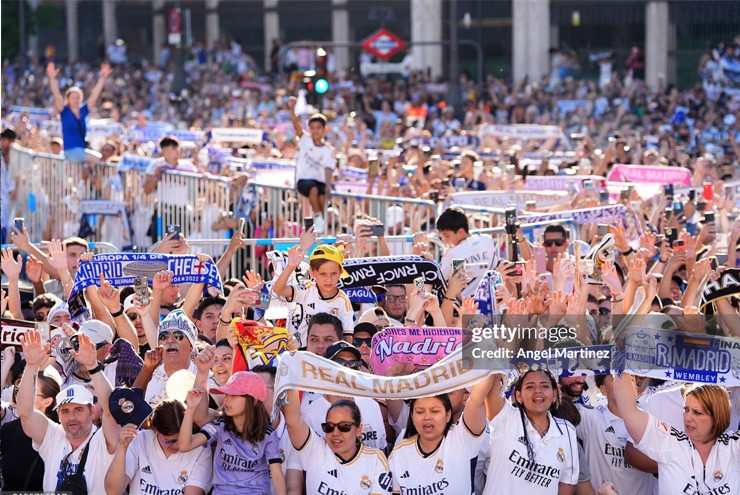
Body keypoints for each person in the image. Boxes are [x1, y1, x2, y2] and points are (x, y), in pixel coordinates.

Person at [17, 330, 119, 494]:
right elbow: (25, 413)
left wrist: (93, 367)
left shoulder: (103, 439)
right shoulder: (53, 436)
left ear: (92, 411)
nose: (71, 417)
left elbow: (111, 410)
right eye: (65, 411)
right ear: (57, 414)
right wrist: (31, 366)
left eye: (78, 410)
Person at [614, 373, 739, 494]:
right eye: (686, 409)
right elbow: (629, 412)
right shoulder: (670, 443)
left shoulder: (734, 447)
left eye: (697, 412)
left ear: (717, 417)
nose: (688, 417)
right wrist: (622, 360)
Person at [179, 371, 287, 495]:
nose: (227, 399)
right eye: (226, 394)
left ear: (254, 400)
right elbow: (185, 445)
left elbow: (277, 476)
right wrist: (190, 409)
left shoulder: (267, 434)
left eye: (234, 395)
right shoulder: (220, 426)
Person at [388, 375, 495, 493]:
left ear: (448, 415)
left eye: (435, 411)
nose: (427, 417)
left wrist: (488, 360)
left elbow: (477, 398)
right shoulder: (399, 453)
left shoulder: (462, 439)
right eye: (420, 412)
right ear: (412, 416)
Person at [483, 370, 579, 494]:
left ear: (554, 395)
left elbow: (567, 482)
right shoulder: (506, 418)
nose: (538, 391)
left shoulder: (567, 430)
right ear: (518, 396)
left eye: (545, 386)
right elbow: (490, 376)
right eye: (530, 386)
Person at [283, 387, 393, 494]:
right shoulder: (315, 451)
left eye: (344, 426)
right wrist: (291, 377)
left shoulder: (375, 459)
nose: (335, 433)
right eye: (329, 427)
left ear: (359, 430)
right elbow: (292, 421)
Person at [104, 399, 213, 495]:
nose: (178, 445)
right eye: (170, 440)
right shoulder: (140, 440)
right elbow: (113, 491)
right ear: (155, 429)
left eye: (183, 438)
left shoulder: (200, 448)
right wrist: (122, 448)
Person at [272, 244, 354, 348]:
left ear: (340, 272)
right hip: (304, 350)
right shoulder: (307, 288)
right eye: (323, 274)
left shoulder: (343, 300)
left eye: (333, 274)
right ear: (312, 273)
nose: (328, 280)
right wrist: (290, 267)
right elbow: (279, 290)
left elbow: (347, 336)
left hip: (331, 354)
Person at [0, 369, 60, 490]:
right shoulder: (7, 430)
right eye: (20, 389)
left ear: (47, 402)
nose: (22, 395)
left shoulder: (59, 435)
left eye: (31, 392)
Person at [46, 62, 111, 163]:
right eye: (73, 97)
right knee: (99, 159)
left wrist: (102, 79)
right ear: (68, 99)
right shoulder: (64, 111)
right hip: (71, 151)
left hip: (82, 149)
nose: (75, 100)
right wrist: (52, 79)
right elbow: (56, 95)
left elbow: (94, 96)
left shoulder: (83, 110)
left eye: (78, 97)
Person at [288, 96, 334, 234]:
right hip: (303, 180)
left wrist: (327, 185)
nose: (315, 131)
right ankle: (319, 218)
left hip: (318, 181)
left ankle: (320, 226)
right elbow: (296, 124)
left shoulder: (328, 149)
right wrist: (291, 108)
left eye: (318, 128)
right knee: (313, 189)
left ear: (324, 129)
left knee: (321, 197)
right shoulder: (305, 140)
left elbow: (328, 168)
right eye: (312, 128)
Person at [436, 208, 496, 298]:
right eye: (442, 237)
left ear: (460, 231)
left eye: (447, 236)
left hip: (463, 303)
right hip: (490, 297)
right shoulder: (486, 239)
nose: (444, 240)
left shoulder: (453, 253)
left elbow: (440, 279)